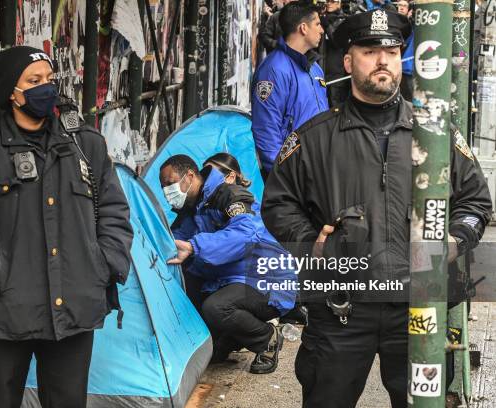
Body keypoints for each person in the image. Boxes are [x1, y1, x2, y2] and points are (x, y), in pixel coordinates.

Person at [261, 10, 492, 408]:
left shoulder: (436, 133)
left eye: (391, 50)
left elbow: (475, 202)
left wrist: (454, 240)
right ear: (349, 61)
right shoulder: (315, 137)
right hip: (341, 307)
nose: (382, 60)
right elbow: (279, 203)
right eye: (369, 51)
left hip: (419, 306)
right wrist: (310, 243)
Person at [0, 46, 133, 408]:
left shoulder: (85, 144)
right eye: (34, 81)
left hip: (74, 308)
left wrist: (102, 267)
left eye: (49, 79)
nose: (46, 87)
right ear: (11, 93)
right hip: (4, 312)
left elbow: (114, 212)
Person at [160, 154, 297, 374]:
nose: (167, 191)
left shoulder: (230, 195)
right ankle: (227, 340)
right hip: (229, 279)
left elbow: (246, 233)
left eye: (170, 183)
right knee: (181, 286)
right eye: (163, 186)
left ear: (190, 175)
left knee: (216, 308)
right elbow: (173, 240)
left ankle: (266, 338)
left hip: (267, 279)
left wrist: (196, 246)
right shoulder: (191, 208)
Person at [252, 1, 329, 175]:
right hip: (293, 174)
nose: (322, 30)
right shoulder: (273, 70)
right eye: (317, 24)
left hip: (318, 166)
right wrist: (284, 176)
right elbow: (266, 129)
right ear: (303, 28)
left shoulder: (314, 68)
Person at [321, 0, 350, 106]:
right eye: (327, 1)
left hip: (336, 70)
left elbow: (337, 42)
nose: (329, 4)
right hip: (320, 66)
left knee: (335, 104)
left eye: (332, 1)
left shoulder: (343, 20)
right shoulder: (320, 17)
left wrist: (327, 25)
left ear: (339, 3)